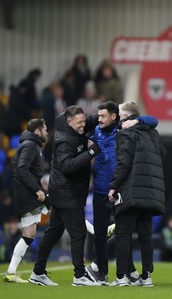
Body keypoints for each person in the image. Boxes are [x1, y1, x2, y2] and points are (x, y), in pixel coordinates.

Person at [86, 101, 158, 285]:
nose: (100, 119)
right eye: (99, 116)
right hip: (102, 189)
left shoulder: (123, 130)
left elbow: (153, 120)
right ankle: (102, 272)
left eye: (104, 116)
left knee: (123, 233)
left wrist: (136, 120)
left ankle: (127, 272)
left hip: (121, 189)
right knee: (101, 234)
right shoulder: (95, 131)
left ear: (115, 116)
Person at [29, 105, 101, 287]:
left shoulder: (75, 126)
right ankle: (79, 276)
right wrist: (92, 151)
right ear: (69, 122)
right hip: (66, 194)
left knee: (53, 233)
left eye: (84, 121)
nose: (83, 126)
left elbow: (93, 118)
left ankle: (38, 272)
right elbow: (67, 166)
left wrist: (111, 109)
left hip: (64, 192)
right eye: (79, 123)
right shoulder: (63, 141)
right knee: (78, 234)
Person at [108, 101, 165, 287]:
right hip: (150, 191)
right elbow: (162, 154)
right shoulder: (153, 134)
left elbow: (123, 163)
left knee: (123, 235)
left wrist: (114, 186)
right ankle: (147, 276)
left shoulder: (125, 134)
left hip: (131, 191)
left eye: (120, 114)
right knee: (145, 236)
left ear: (127, 116)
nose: (118, 117)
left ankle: (122, 277)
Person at [4, 118, 49, 283]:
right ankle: (12, 272)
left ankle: (11, 271)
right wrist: (37, 189)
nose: (46, 132)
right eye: (45, 129)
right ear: (38, 130)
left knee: (30, 234)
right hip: (29, 195)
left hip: (29, 194)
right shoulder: (30, 145)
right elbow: (22, 169)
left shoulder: (31, 145)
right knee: (64, 208)